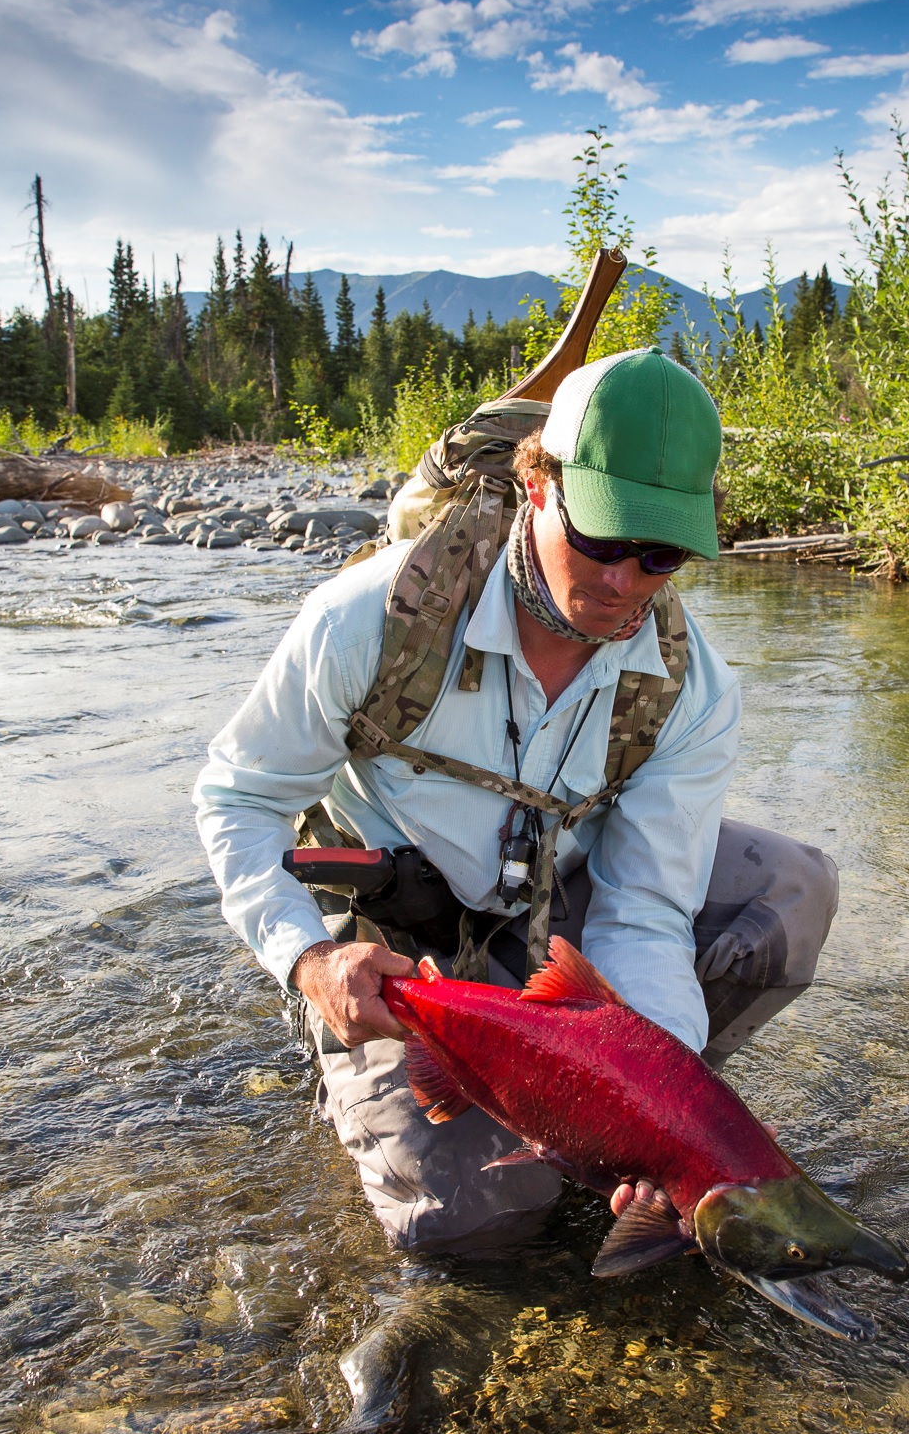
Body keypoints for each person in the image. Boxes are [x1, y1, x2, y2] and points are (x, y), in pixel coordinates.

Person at [194, 348, 838, 1255]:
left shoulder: (692, 690)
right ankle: (341, 1045)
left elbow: (646, 909)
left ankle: (616, 1115)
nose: (623, 583)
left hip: (556, 917)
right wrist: (305, 961)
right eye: (604, 540)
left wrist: (655, 1111)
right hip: (398, 954)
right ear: (538, 487)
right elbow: (237, 799)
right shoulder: (367, 621)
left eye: (659, 555)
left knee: (794, 889)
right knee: (483, 1227)